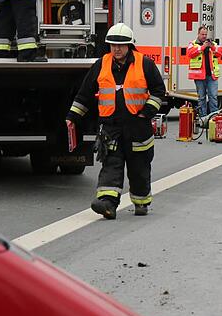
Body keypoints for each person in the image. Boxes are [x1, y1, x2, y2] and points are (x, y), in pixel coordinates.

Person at [67, 23, 166, 220]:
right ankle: (107, 203)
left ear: (130, 45)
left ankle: (141, 202)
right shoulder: (101, 64)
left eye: (121, 45)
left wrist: (147, 112)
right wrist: (72, 117)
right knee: (111, 165)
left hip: (138, 127)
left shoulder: (145, 63)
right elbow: (85, 94)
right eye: (113, 45)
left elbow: (158, 91)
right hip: (110, 128)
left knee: (139, 168)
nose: (117, 49)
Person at [187, 26, 220, 119]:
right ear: (198, 34)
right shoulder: (193, 44)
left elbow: (220, 53)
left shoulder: (212, 44)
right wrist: (202, 47)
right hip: (199, 77)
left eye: (205, 34)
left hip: (212, 76)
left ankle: (214, 117)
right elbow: (190, 53)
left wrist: (212, 47)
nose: (204, 36)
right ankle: (203, 118)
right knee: (201, 98)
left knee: (213, 97)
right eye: (202, 34)